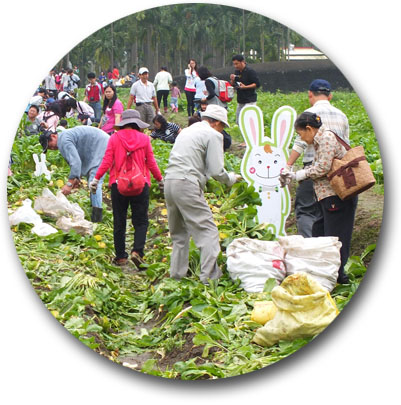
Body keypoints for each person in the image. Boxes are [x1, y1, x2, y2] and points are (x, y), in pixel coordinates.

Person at [164, 104, 241, 284]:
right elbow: (216, 170)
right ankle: (209, 278)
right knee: (208, 231)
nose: (223, 130)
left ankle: (177, 276)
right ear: (215, 123)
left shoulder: (187, 131)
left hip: (170, 182)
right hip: (187, 183)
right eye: (223, 126)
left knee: (179, 234)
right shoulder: (213, 134)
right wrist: (231, 179)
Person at [280, 112, 357, 284]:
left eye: (301, 134)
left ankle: (338, 276)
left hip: (336, 195)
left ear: (309, 129)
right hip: (327, 195)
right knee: (319, 231)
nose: (303, 139)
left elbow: (322, 167)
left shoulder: (326, 139)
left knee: (336, 237)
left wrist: (298, 174)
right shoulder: (319, 140)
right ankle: (324, 271)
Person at [89, 109, 164, 267]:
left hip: (118, 184)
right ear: (138, 124)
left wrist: (96, 179)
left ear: (123, 123)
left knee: (119, 220)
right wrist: (159, 180)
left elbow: (107, 160)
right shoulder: (144, 139)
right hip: (140, 184)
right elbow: (151, 162)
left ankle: (121, 257)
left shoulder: (114, 138)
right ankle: (137, 251)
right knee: (141, 221)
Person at [286, 79, 350, 239]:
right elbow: (346, 144)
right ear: (330, 96)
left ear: (310, 95)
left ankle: (310, 247)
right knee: (327, 217)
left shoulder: (309, 116)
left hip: (313, 169)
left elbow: (300, 144)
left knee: (306, 210)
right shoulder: (342, 115)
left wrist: (289, 166)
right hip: (340, 172)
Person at [39, 126, 109, 222]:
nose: (52, 148)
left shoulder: (63, 140)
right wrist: (77, 178)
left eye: (50, 145)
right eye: (49, 148)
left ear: (54, 136)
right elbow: (77, 159)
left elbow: (75, 162)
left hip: (102, 145)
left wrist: (69, 184)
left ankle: (97, 218)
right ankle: (95, 210)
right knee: (93, 180)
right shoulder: (65, 137)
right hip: (99, 144)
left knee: (94, 182)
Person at [229, 54, 260, 124]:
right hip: (240, 100)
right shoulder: (236, 72)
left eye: (237, 64)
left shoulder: (250, 71)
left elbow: (257, 84)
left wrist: (245, 87)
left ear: (242, 62)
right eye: (234, 64)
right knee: (238, 121)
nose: (235, 66)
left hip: (250, 100)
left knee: (248, 121)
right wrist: (232, 80)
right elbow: (233, 84)